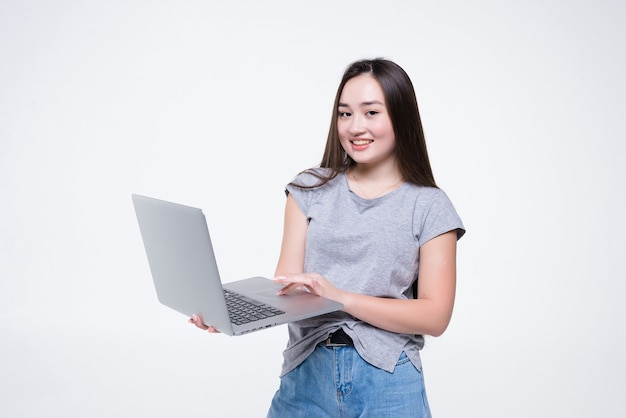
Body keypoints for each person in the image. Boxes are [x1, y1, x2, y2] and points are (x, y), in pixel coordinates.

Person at [190, 58, 465, 417]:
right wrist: (227, 313)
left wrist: (340, 298)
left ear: (401, 116)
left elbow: (435, 315)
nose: (355, 127)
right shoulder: (308, 189)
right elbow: (288, 288)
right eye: (345, 114)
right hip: (306, 376)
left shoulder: (430, 205)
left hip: (388, 380)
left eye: (371, 112)